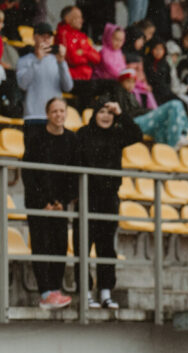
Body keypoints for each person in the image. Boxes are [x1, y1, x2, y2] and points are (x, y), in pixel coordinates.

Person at [75, 100, 143, 309]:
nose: (106, 116)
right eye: (102, 112)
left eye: (109, 113)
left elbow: (136, 134)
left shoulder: (116, 134)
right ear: (94, 113)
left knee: (106, 247)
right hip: (87, 196)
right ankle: (85, 292)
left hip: (109, 198)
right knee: (83, 245)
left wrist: (121, 113)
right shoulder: (83, 133)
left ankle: (105, 292)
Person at [22, 97, 78, 309]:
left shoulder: (71, 140)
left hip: (60, 205)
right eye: (54, 111)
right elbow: (30, 174)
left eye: (62, 111)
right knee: (42, 245)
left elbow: (74, 175)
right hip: (39, 204)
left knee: (60, 245)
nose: (58, 115)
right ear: (48, 114)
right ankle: (45, 292)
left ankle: (55, 289)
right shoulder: (36, 138)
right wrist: (43, 202)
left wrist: (62, 202)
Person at [16, 23, 73, 129]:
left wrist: (61, 63)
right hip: (33, 116)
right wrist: (37, 60)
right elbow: (22, 85)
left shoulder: (58, 60)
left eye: (49, 37)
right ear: (34, 37)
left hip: (54, 118)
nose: (46, 39)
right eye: (43, 36)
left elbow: (68, 87)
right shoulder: (24, 60)